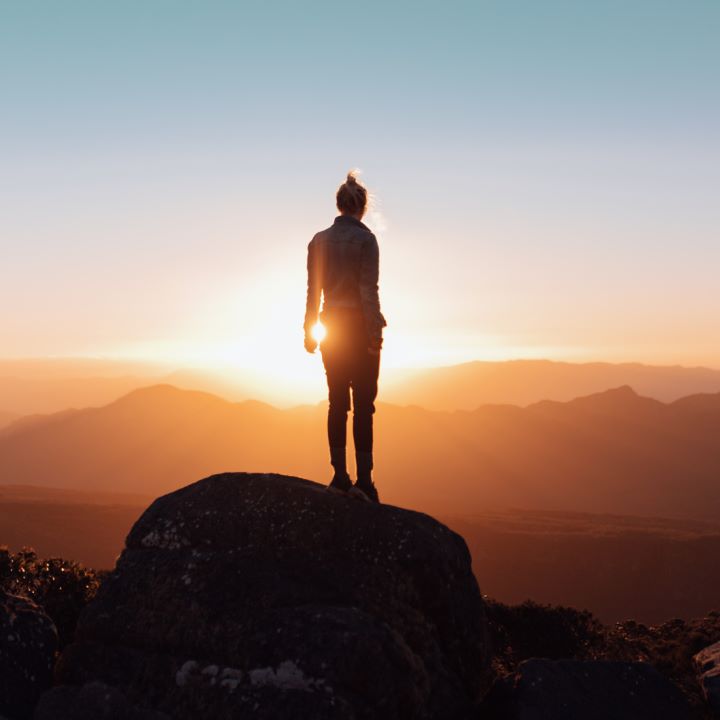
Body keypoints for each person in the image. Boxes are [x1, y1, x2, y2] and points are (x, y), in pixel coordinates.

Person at [303, 172, 387, 503]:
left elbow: (314, 291)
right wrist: (374, 332)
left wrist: (310, 330)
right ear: (362, 207)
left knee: (337, 401)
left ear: (338, 205)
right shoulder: (366, 241)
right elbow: (369, 290)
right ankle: (364, 482)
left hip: (332, 328)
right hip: (357, 326)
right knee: (364, 404)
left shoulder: (318, 241)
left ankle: (339, 476)